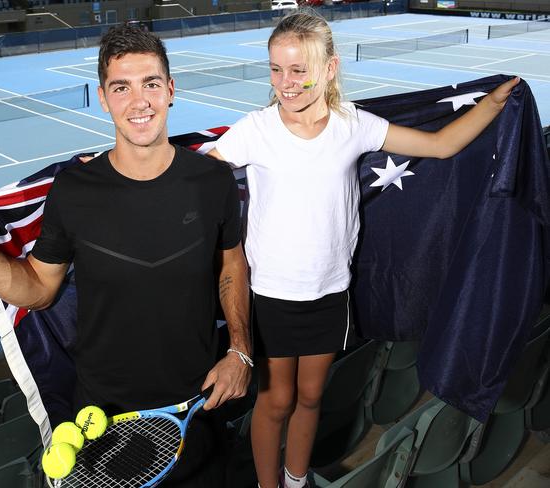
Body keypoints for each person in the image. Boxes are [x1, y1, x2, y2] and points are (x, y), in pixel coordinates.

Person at [208, 10, 519, 488]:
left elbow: (439, 146)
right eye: (275, 69)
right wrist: (122, 163)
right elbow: (195, 182)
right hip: (271, 295)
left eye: (298, 69)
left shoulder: (353, 125)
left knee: (311, 397)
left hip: (330, 291)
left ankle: (296, 479)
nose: (285, 83)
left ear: (329, 68)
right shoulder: (256, 129)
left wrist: (494, 105)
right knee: (276, 402)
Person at [0, 25, 252, 487]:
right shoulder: (73, 190)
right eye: (121, 87)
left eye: (150, 83)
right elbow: (41, 291)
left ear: (171, 90)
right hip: (103, 418)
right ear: (104, 99)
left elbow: (232, 264)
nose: (139, 101)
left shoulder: (212, 181)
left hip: (197, 405)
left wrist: (241, 352)